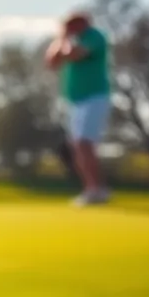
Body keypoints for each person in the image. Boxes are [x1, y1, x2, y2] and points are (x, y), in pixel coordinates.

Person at [46, 12, 113, 206]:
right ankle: (92, 189)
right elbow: (51, 62)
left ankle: (97, 189)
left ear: (82, 23)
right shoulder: (66, 40)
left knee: (84, 143)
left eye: (71, 25)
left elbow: (74, 54)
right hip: (75, 100)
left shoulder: (95, 37)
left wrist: (65, 39)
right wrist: (61, 38)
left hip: (95, 96)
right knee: (78, 146)